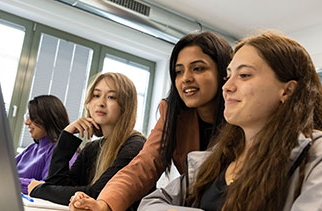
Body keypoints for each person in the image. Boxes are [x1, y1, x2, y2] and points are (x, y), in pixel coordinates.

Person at [138, 31, 322, 211]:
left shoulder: (321, 156)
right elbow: (150, 204)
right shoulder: (216, 159)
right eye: (228, 76)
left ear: (287, 91)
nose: (227, 87)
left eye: (244, 75)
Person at [69, 30, 232, 211]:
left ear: (224, 71)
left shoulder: (242, 117)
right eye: (178, 71)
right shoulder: (174, 113)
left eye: (198, 68)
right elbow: (146, 163)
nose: (186, 78)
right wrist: (105, 204)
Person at [28, 72, 146, 209]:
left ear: (126, 107)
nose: (101, 103)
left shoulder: (135, 145)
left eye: (111, 97)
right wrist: (66, 135)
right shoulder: (92, 148)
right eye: (96, 95)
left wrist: (40, 190)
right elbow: (58, 185)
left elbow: (96, 194)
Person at [0, 95, 76, 195]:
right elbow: (6, 173)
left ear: (47, 118)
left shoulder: (60, 151)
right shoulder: (32, 148)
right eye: (27, 116)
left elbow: (48, 188)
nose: (26, 122)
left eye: (31, 117)